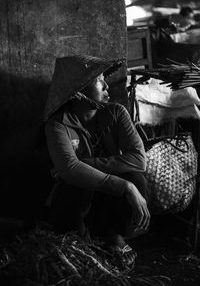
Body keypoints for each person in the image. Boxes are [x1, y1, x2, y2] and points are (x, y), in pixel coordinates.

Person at [44, 55, 150, 266]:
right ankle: (82, 242)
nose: (106, 85)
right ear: (78, 91)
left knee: (136, 177)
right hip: (78, 202)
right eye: (99, 80)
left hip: (106, 198)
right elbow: (70, 172)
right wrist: (125, 187)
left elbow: (139, 159)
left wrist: (83, 163)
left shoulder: (117, 113)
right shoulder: (57, 125)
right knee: (76, 183)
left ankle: (114, 235)